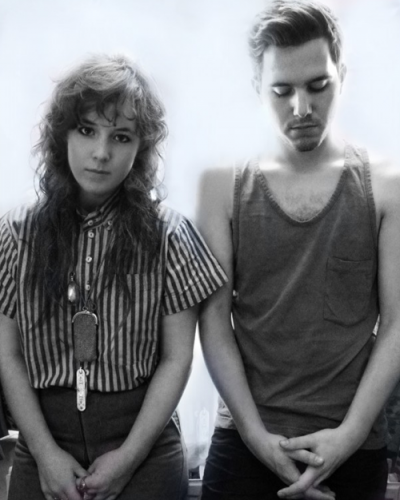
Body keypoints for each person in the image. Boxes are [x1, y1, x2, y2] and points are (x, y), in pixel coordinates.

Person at [0, 53, 227, 500]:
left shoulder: (169, 235)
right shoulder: (17, 233)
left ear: (141, 148)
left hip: (144, 449)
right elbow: (8, 356)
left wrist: (127, 459)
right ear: (62, 133)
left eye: (121, 137)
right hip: (43, 445)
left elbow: (177, 359)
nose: (101, 153)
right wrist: (45, 454)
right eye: (87, 130)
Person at [197, 1, 400, 499]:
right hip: (244, 444)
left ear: (342, 76)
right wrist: (255, 438)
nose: (301, 108)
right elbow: (214, 320)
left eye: (318, 85)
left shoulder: (388, 184)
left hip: (352, 445)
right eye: (282, 91)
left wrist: (349, 436)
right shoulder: (220, 184)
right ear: (257, 87)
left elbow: (398, 323)